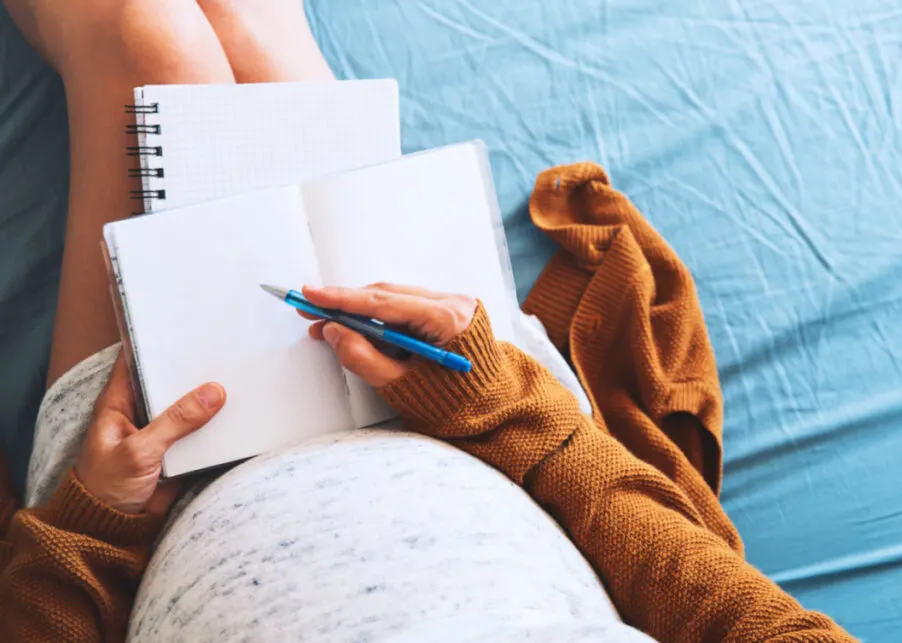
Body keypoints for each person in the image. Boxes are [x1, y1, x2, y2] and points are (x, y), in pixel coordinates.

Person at [0, 1, 857, 641]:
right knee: (249, 22)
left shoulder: (111, 514)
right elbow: (737, 610)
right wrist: (504, 403)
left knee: (146, 39)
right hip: (468, 410)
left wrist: (92, 525)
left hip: (145, 482)